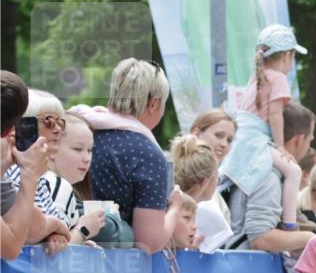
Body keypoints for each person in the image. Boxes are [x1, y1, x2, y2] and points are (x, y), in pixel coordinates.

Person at [71, 58, 181, 252]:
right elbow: (148, 242)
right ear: (154, 103)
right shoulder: (148, 155)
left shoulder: (76, 131)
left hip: (56, 253)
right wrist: (176, 208)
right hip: (117, 270)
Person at [222, 24, 307, 232]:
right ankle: (289, 223)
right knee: (294, 171)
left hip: (244, 133)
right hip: (255, 137)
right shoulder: (278, 78)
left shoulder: (258, 75)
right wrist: (280, 146)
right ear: (287, 56)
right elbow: (275, 114)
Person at [1, 71, 70, 259]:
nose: (57, 129)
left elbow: (39, 225)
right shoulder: (19, 169)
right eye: (48, 120)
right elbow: (12, 245)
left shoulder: (22, 171)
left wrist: (55, 230)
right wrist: (29, 174)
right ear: (15, 127)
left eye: (61, 122)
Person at [44, 113, 109, 245]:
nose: (87, 158)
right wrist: (83, 231)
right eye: (77, 149)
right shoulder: (57, 184)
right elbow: (53, 251)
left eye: (90, 150)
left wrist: (81, 243)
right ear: (52, 147)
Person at [190, 109, 237, 251]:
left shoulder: (217, 192)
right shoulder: (174, 177)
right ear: (197, 134)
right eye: (219, 135)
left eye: (229, 140)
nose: (224, 144)